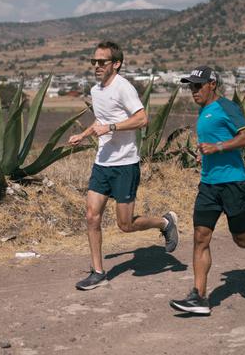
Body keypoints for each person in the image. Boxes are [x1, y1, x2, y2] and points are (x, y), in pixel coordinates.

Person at [170, 65, 245, 315]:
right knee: (200, 237)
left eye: (197, 86)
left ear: (212, 84)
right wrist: (205, 156)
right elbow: (211, 145)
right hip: (208, 185)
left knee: (242, 238)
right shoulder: (203, 112)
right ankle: (199, 297)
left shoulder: (227, 107)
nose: (193, 91)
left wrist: (219, 147)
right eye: (190, 86)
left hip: (234, 184)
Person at [68, 40, 179, 290]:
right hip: (102, 163)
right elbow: (102, 119)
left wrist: (112, 127)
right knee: (91, 216)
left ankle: (165, 223)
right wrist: (84, 135)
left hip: (125, 165)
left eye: (101, 62)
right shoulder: (96, 91)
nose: (96, 66)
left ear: (115, 64)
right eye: (93, 62)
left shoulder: (123, 88)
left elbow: (142, 119)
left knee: (125, 225)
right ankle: (97, 272)